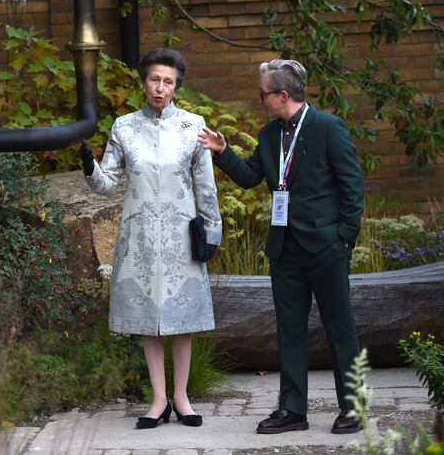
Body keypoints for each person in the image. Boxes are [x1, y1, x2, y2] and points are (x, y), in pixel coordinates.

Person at [198, 59, 364, 435]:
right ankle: (292, 410)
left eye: (263, 94)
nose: (260, 100)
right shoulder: (269, 135)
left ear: (283, 94)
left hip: (326, 246)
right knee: (289, 330)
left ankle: (353, 407)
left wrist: (344, 239)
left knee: (340, 327)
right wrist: (222, 152)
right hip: (284, 248)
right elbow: (250, 178)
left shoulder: (328, 128)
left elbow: (353, 188)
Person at [81, 47, 222, 429]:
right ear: (143, 81)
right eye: (154, 79)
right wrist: (89, 167)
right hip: (139, 234)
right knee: (147, 320)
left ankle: (182, 397)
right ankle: (158, 400)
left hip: (180, 234)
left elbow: (205, 186)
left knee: (181, 318)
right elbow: (107, 185)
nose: (160, 87)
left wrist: (212, 231)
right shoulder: (124, 127)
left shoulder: (194, 125)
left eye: (168, 81)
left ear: (177, 86)